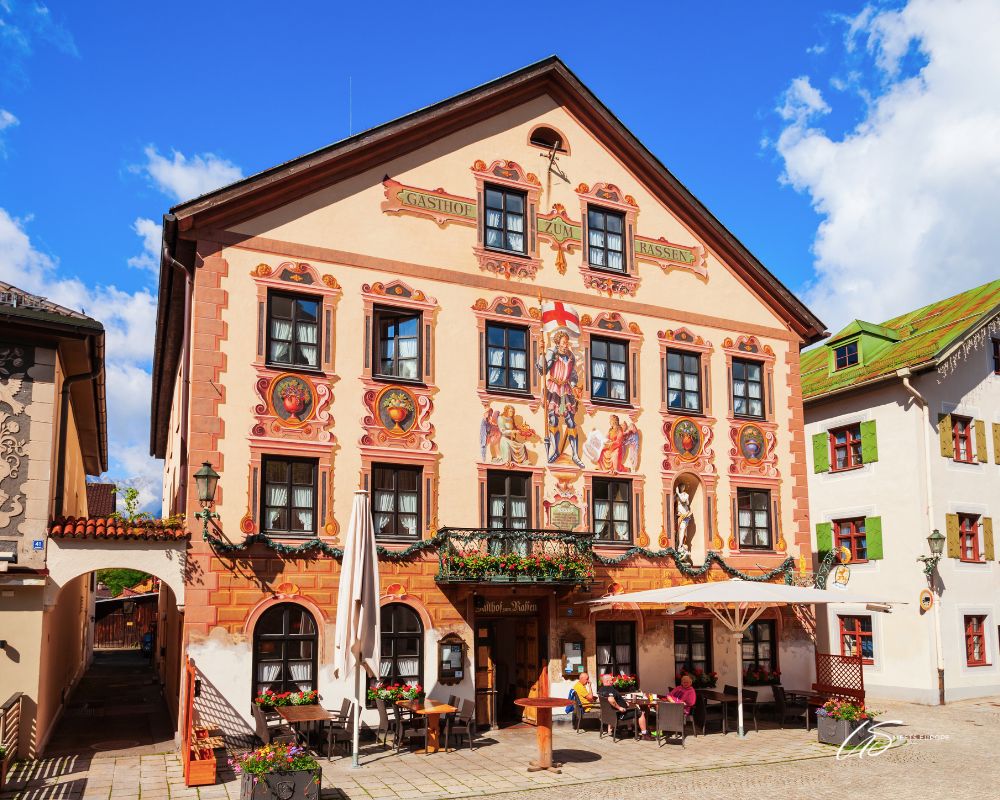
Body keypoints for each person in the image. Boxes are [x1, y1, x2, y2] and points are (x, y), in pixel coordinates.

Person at [598, 673, 650, 739]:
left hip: (609, 716)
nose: (612, 682)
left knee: (630, 707)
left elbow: (608, 702)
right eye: (611, 680)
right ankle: (644, 734)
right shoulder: (610, 689)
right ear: (607, 681)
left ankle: (630, 730)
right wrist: (619, 708)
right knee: (640, 712)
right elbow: (611, 700)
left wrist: (624, 703)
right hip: (619, 715)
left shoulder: (601, 690)